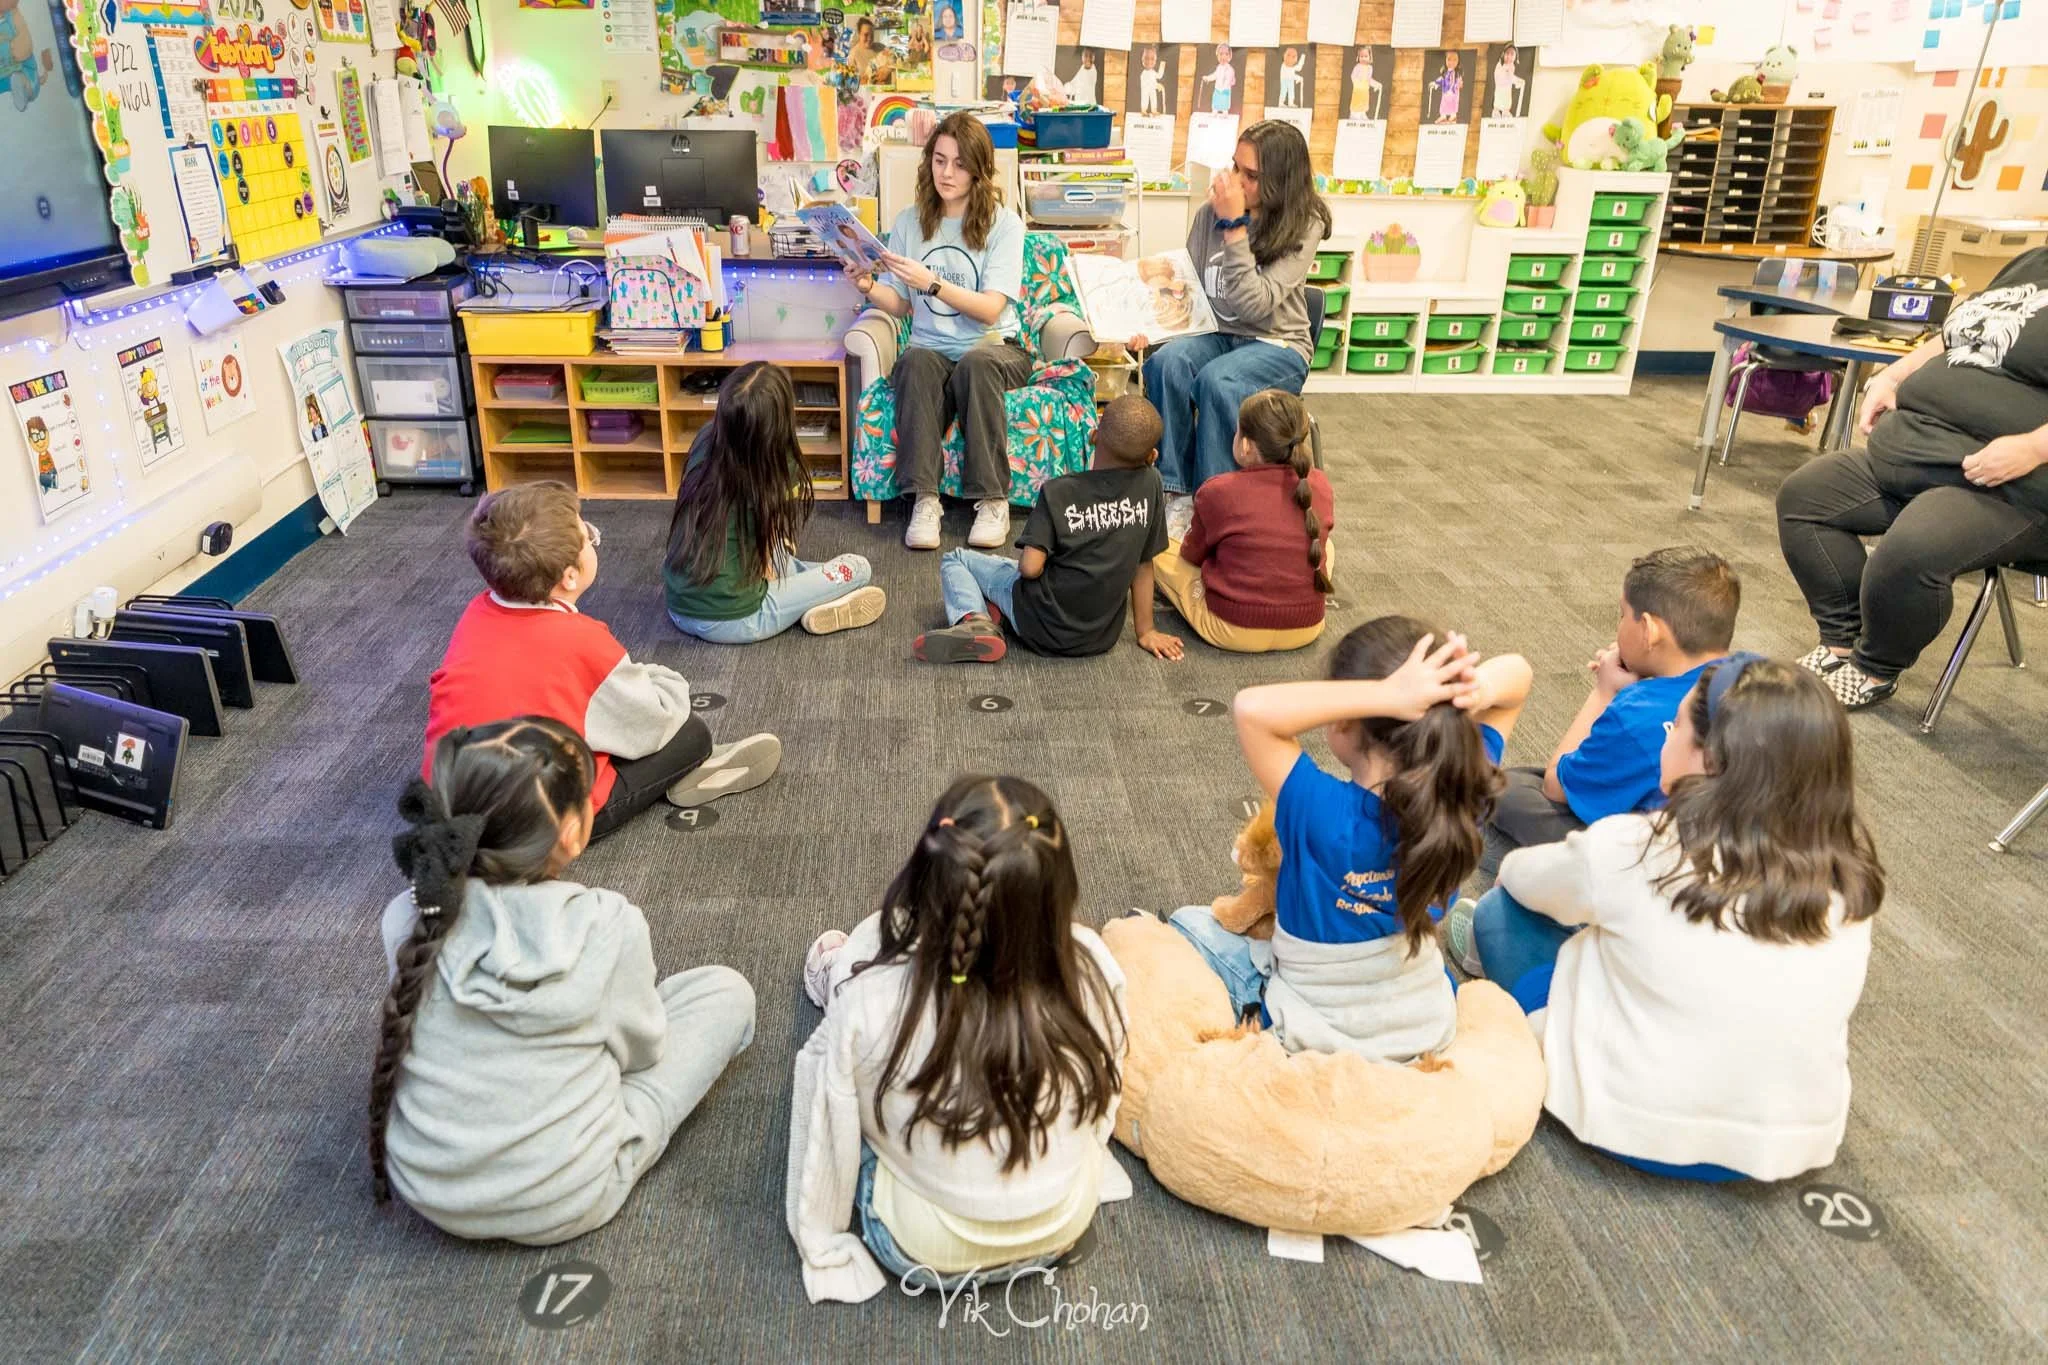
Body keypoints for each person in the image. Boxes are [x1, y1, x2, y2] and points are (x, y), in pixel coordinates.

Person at [1442, 658, 1883, 1182]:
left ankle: (1497, 985)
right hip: (1784, 1141)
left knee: (1502, 912)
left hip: (1633, 1123)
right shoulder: (1848, 874)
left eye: (1676, 728)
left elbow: (1519, 876)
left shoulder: (1642, 846)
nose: (1666, 739)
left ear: (1708, 760)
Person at [371, 718, 757, 1241]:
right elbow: (643, 1054)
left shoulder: (408, 913)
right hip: (567, 1196)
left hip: (428, 1188)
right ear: (574, 832)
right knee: (725, 992)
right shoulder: (606, 924)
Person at [787, 776, 1129, 1303]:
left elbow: (826, 1131)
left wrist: (823, 1239)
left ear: (927, 882)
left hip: (923, 1253)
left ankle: (831, 969)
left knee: (863, 958)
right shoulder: (1095, 969)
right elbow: (1104, 1098)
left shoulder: (874, 1006)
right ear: (1059, 892)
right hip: (1063, 1226)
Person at [1170, 619, 1532, 1062]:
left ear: (1345, 721)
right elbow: (1519, 674)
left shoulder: (1321, 810)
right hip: (1423, 1021)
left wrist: (1385, 695)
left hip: (1313, 1030)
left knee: (1190, 923)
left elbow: (1250, 707)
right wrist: (1459, 696)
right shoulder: (1462, 797)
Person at [424, 482, 782, 841]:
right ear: (569, 576)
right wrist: (657, 679)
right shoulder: (582, 641)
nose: (594, 540)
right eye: (588, 536)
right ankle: (690, 768)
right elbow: (654, 719)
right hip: (531, 834)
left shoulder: (475, 613)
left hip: (448, 810)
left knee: (596, 717)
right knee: (691, 733)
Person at [1776, 247, 2048, 710]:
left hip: (2002, 482)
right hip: (1911, 446)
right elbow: (1952, 336)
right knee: (1805, 499)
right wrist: (1892, 377)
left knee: (1909, 552)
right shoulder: (2033, 261)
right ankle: (1841, 640)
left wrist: (2033, 447)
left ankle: (1874, 667)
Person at [1482, 547, 1738, 878]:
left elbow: (1554, 786)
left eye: (1622, 615)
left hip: (1658, 863)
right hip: (1735, 841)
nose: (1619, 625)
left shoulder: (1637, 715)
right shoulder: (1754, 675)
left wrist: (1605, 691)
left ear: (1649, 630)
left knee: (1510, 790)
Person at [1137, 120, 1332, 533]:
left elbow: (1254, 303)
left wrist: (1234, 227)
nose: (1237, 182)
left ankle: (1216, 500)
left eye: (1252, 175)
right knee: (1166, 363)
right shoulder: (1210, 213)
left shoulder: (1303, 224)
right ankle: (1176, 493)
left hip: (1277, 345)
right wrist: (1148, 324)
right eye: (1235, 167)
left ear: (1280, 180)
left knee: (1217, 382)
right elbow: (1186, 284)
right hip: (1216, 334)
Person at [851, 112, 1029, 552]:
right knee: (913, 362)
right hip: (931, 347)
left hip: (994, 348)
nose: (946, 173)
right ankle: (925, 499)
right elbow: (902, 303)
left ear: (980, 170)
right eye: (939, 160)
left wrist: (931, 281)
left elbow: (990, 311)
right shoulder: (910, 222)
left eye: (959, 164)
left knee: (976, 364)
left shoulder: (1005, 225)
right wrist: (869, 286)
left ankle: (993, 499)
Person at [913, 395, 1183, 664]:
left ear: (1094, 436)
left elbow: (1030, 568)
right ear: (1152, 455)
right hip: (1099, 636)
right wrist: (1146, 631)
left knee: (958, 560)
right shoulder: (1151, 484)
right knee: (1007, 571)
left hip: (1038, 625)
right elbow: (1144, 563)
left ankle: (976, 620)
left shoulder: (1060, 492)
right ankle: (997, 613)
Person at [664, 362, 886, 644]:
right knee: (858, 567)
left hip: (678, 608)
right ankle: (815, 600)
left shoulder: (705, 438)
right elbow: (768, 560)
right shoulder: (777, 464)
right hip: (737, 619)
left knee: (788, 560)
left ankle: (812, 597)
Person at [1151, 388, 1334, 654]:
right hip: (1309, 626)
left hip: (1232, 629)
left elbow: (1192, 555)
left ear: (1246, 445)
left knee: (1156, 547)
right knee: (1325, 544)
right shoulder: (1320, 483)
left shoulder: (1218, 490)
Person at [1197, 43, 1236, 115]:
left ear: (1230, 56)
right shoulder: (1219, 67)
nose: (1223, 57)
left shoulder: (1230, 69)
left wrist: (1224, 86)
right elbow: (1215, 75)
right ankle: (1215, 110)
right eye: (1221, 54)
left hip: (1225, 90)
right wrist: (1207, 78)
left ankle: (1225, 111)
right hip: (1217, 89)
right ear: (1217, 56)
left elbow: (1229, 79)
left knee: (1224, 102)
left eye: (1226, 54)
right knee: (1216, 101)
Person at [1138, 44, 1164, 115]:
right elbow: (1146, 83)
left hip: (1152, 89)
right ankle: (1143, 110)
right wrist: (1156, 85)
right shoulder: (1143, 74)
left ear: (1155, 61)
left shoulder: (1153, 72)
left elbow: (1159, 76)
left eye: (1152, 59)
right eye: (1146, 58)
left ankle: (1154, 110)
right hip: (1146, 89)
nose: (1149, 61)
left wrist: (1162, 67)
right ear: (1142, 59)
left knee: (1153, 98)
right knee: (1144, 98)